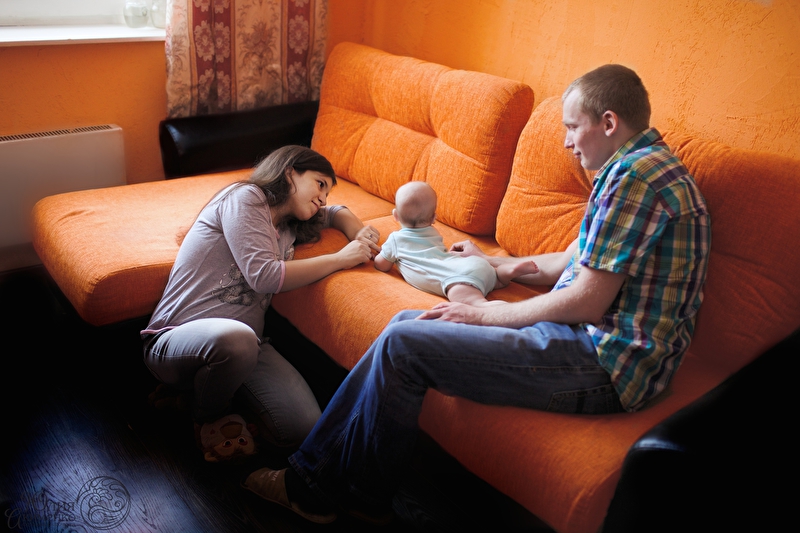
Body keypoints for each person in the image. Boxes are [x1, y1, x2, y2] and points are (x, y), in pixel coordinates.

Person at [241, 64, 712, 524]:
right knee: (404, 326)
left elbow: (587, 301)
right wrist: (494, 262)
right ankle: (360, 496)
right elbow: (569, 262)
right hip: (591, 343)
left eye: (573, 127)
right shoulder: (639, 168)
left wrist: (486, 315)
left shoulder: (634, 179)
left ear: (608, 122)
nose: (567, 142)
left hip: (605, 361)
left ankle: (309, 489)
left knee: (405, 343)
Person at [141, 145, 380, 462]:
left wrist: (360, 232)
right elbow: (264, 276)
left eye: (328, 192)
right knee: (237, 339)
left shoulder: (290, 225)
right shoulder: (246, 198)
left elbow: (336, 212)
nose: (323, 198)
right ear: (290, 172)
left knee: (302, 429)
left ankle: (192, 397)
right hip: (176, 339)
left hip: (247, 347)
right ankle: (207, 416)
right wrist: (340, 259)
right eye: (320, 184)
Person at [374, 181, 539, 306]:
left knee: (464, 298)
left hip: (459, 279)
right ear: (433, 219)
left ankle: (490, 307)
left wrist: (379, 255)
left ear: (395, 215)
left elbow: (382, 265)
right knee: (494, 279)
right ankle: (505, 273)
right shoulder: (433, 233)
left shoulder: (395, 240)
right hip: (474, 264)